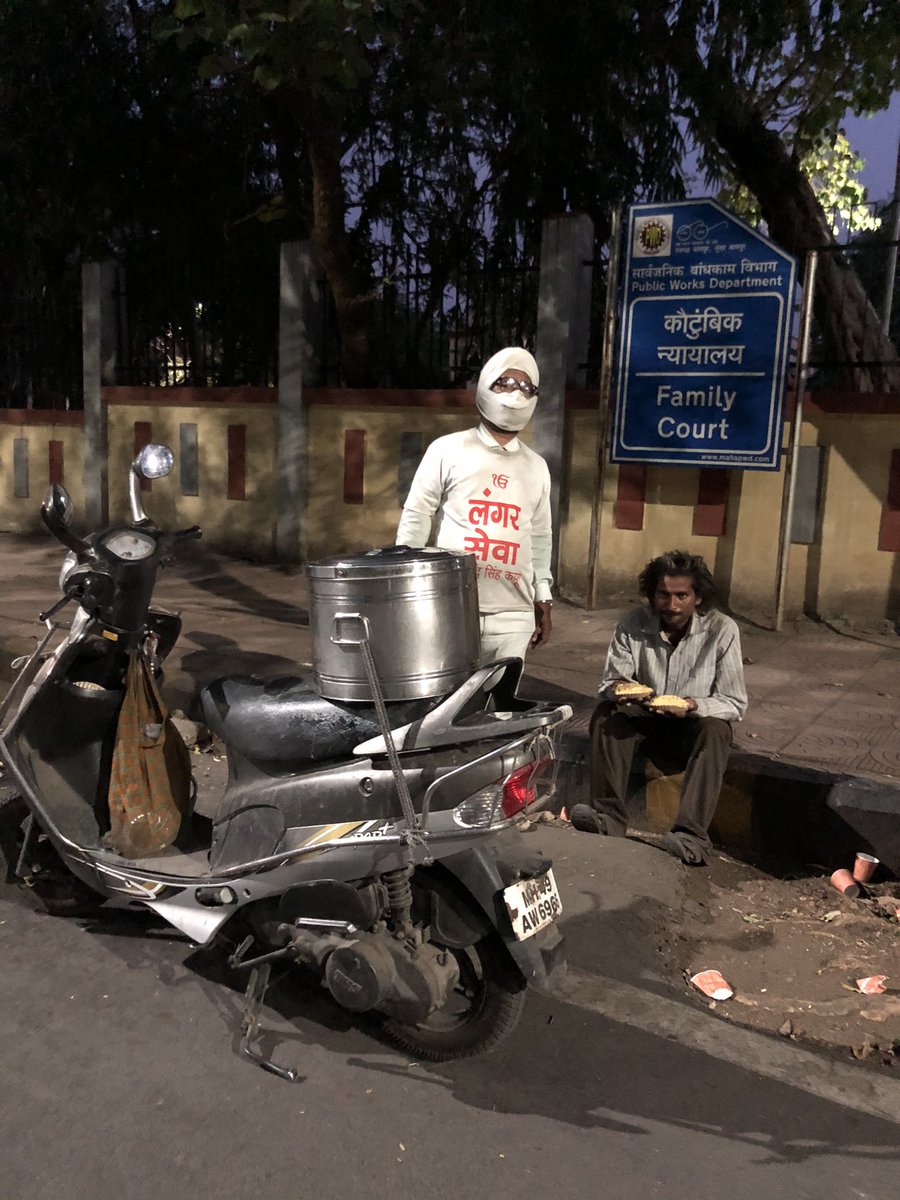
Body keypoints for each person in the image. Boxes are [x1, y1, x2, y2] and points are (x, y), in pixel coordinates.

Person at [570, 549, 748, 865]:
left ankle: (691, 837)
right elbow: (611, 681)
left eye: (682, 595)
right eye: (663, 595)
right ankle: (607, 817)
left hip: (691, 726)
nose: (671, 605)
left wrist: (693, 706)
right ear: (652, 595)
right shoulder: (631, 624)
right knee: (607, 715)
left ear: (698, 597)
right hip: (646, 720)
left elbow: (734, 703)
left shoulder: (722, 631)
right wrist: (621, 692)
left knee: (717, 730)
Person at [396, 347, 552, 662]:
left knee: (502, 707)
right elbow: (418, 514)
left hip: (514, 613)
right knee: (446, 703)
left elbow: (540, 535)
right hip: (452, 604)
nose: (515, 392)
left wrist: (543, 599)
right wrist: (403, 579)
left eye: (525, 386)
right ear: (484, 388)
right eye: (505, 382)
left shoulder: (537, 466)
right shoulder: (448, 450)